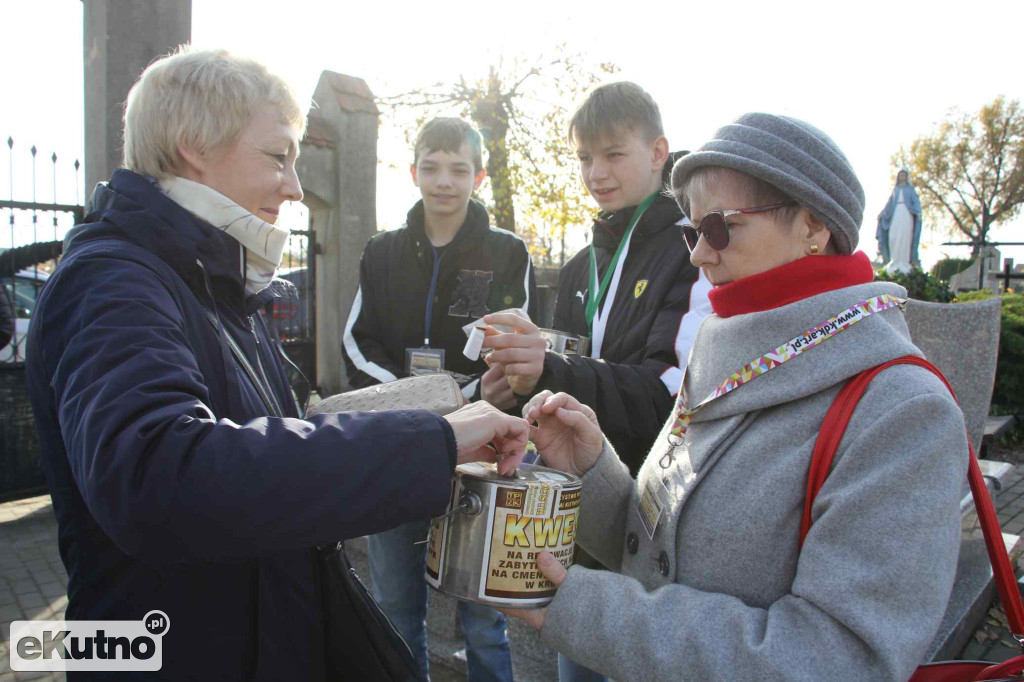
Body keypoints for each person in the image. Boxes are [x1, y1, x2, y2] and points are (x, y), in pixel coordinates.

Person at [25, 47, 530, 681]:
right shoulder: (112, 280)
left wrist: (439, 428)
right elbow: (160, 475)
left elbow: (272, 439)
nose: (294, 186)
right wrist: (429, 443)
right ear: (192, 146)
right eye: (276, 157)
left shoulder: (212, 282)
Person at [504, 113, 968, 681]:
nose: (698, 255)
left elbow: (841, 660)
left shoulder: (902, 410)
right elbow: (662, 553)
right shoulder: (729, 350)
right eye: (691, 232)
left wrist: (590, 613)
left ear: (813, 225)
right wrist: (591, 471)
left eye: (719, 228)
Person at [341, 116, 535, 682]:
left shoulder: (507, 251)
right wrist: (413, 401)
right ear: (413, 172)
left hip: (479, 450)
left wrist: (462, 397)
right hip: (394, 442)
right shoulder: (381, 251)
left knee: (483, 619)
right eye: (431, 167)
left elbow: (509, 340)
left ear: (479, 176)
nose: (444, 180)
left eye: (458, 169)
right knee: (396, 608)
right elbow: (356, 341)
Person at [483, 82, 711, 476]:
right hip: (574, 481)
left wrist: (548, 370)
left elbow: (671, 395)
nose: (596, 173)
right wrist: (516, 391)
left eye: (614, 154)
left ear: (658, 153)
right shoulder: (579, 266)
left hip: (654, 485)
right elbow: (558, 383)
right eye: (585, 158)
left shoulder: (695, 248)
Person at [876, 167, 923, 272]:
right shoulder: (895, 189)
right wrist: (882, 213)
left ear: (906, 176)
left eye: (904, 175)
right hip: (895, 214)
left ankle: (903, 262)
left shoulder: (910, 189)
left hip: (906, 214)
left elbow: (916, 201)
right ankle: (894, 261)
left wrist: (918, 212)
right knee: (893, 236)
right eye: (900, 175)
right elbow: (889, 203)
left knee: (904, 237)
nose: (902, 177)